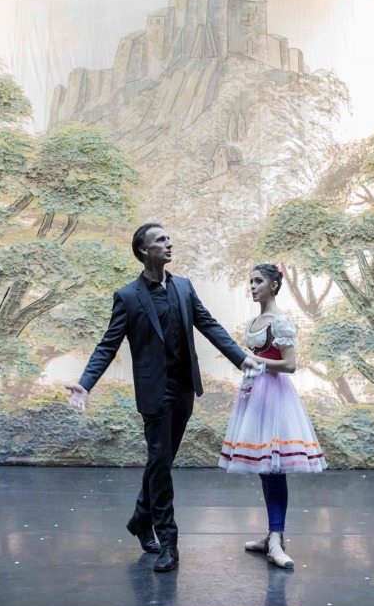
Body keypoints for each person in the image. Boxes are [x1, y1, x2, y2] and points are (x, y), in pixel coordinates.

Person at [66, 223, 261, 573]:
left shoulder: (184, 287)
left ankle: (141, 519)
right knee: (160, 461)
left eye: (169, 238)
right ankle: (167, 541)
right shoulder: (127, 297)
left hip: (184, 387)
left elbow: (209, 324)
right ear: (144, 250)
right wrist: (86, 383)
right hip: (154, 392)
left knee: (161, 462)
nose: (169, 244)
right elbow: (108, 344)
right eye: (160, 241)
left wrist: (241, 358)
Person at [219, 263, 326, 569]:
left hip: (275, 396)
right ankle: (271, 535)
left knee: (275, 467)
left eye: (258, 281)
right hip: (253, 395)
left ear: (273, 286)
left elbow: (290, 364)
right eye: (250, 281)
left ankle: (277, 539)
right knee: (266, 468)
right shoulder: (255, 321)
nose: (252, 286)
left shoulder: (280, 321)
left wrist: (256, 362)